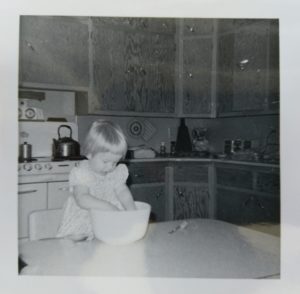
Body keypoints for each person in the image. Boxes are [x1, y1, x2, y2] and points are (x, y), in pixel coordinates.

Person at [56, 119, 136, 241]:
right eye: (105, 161)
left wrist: (132, 211)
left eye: (115, 162)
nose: (110, 167)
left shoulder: (115, 172)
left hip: (106, 223)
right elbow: (82, 198)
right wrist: (109, 207)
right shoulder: (83, 172)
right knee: (76, 251)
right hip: (82, 225)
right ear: (89, 154)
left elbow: (122, 192)